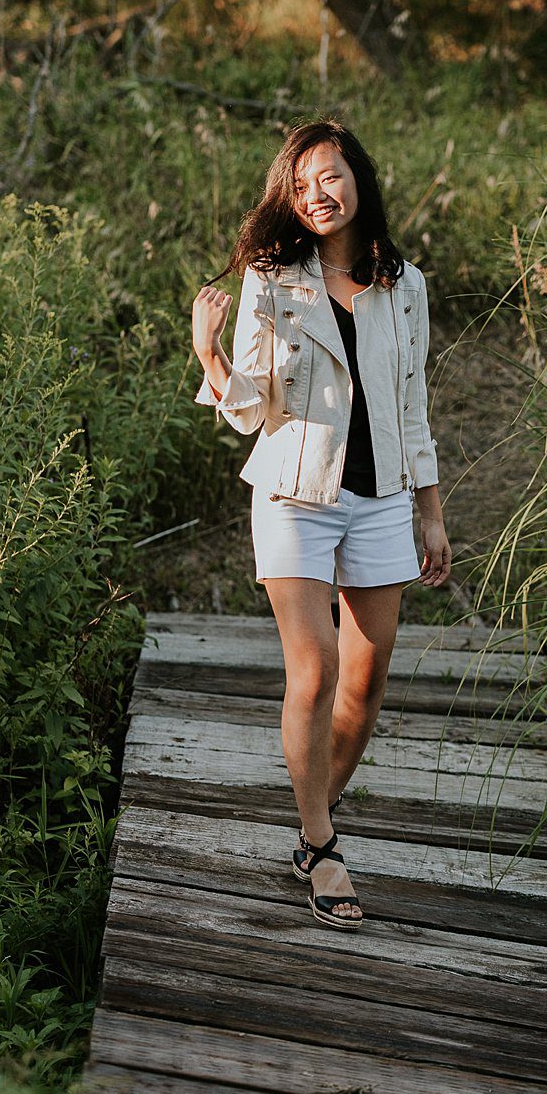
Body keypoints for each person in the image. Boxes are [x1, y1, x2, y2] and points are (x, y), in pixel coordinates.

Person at [190, 119, 452, 931]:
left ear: (359, 180)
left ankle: (310, 814)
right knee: (317, 668)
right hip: (294, 494)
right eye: (300, 187)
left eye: (329, 178)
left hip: (379, 501)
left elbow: (411, 404)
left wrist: (430, 512)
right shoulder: (272, 280)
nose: (316, 196)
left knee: (365, 686)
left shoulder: (402, 283)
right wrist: (212, 359)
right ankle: (322, 841)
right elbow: (253, 409)